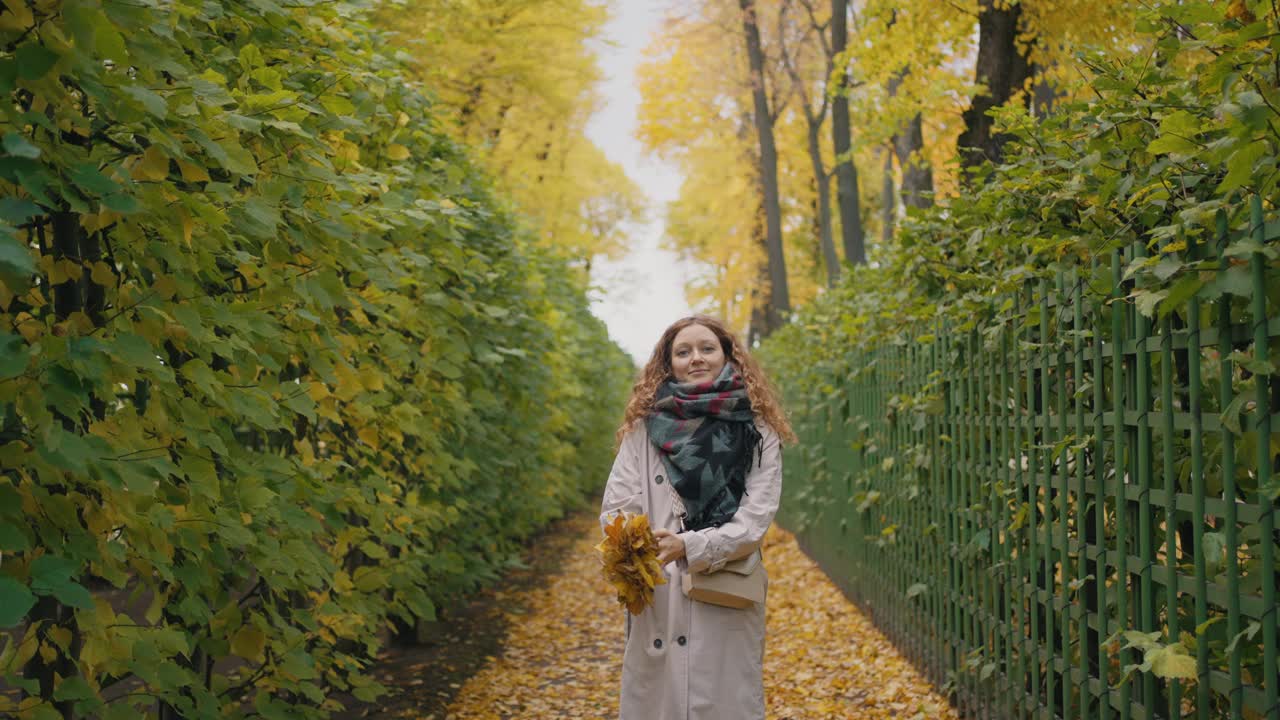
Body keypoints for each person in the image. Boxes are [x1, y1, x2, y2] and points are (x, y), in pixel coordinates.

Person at [599, 315, 796, 720]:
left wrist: (690, 545)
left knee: (723, 699)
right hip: (658, 588)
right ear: (668, 363)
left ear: (727, 356)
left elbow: (756, 518)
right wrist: (641, 546)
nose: (696, 359)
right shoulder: (643, 429)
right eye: (683, 352)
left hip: (725, 581)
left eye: (707, 348)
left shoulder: (757, 429)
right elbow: (617, 507)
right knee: (659, 700)